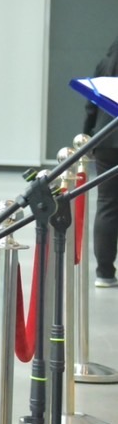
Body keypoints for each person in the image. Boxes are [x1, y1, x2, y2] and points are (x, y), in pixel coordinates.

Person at [83, 33, 118, 288]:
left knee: (107, 204)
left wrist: (87, 136)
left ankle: (104, 273)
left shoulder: (105, 64)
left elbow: (91, 104)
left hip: (106, 141)